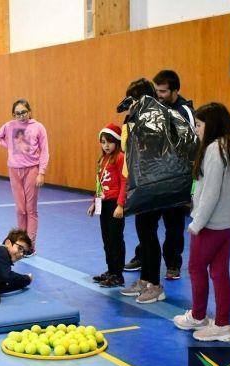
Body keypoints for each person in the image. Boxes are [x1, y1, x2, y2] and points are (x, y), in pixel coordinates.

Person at [173, 103, 230, 342]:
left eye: (199, 125)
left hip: (212, 223)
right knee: (219, 272)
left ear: (211, 125)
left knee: (196, 267)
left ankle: (199, 316)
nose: (196, 129)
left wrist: (197, 223)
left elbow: (211, 191)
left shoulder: (214, 149)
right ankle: (223, 323)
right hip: (227, 222)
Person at [125, 70, 195, 279]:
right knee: (146, 221)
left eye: (163, 91)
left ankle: (173, 263)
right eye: (157, 90)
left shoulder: (184, 111)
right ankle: (143, 256)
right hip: (152, 177)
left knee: (174, 224)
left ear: (175, 91)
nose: (159, 95)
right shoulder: (152, 107)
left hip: (174, 180)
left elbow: (188, 144)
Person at [119, 78, 166, 303]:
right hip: (139, 182)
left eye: (134, 99)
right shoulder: (137, 117)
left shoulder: (156, 119)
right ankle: (145, 280)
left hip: (153, 184)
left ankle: (155, 285)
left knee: (149, 233)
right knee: (143, 233)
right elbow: (127, 147)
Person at [0, 99, 49, 255]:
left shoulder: (38, 127)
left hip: (31, 169)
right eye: (17, 113)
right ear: (13, 114)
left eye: (23, 112)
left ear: (29, 111)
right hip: (14, 170)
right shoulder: (9, 126)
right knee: (20, 210)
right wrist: (9, 146)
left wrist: (41, 172)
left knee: (30, 209)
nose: (21, 116)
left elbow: (45, 151)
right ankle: (20, 244)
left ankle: (30, 246)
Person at [87, 124, 126, 288]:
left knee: (116, 239)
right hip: (103, 203)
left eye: (109, 142)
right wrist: (94, 203)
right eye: (103, 142)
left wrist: (120, 205)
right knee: (107, 239)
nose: (106, 145)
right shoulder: (102, 159)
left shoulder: (120, 158)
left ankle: (118, 274)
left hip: (114, 204)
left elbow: (125, 182)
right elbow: (99, 183)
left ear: (117, 141)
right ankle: (111, 270)